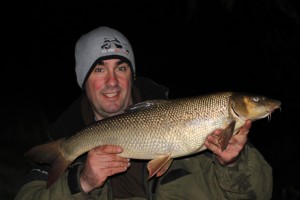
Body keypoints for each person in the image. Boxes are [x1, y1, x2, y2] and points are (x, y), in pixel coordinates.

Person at [15, 26, 273, 200]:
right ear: (84, 80)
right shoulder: (68, 136)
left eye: (122, 68)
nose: (112, 82)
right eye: (99, 70)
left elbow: (260, 193)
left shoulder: (207, 140)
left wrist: (232, 164)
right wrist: (80, 183)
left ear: (133, 75)